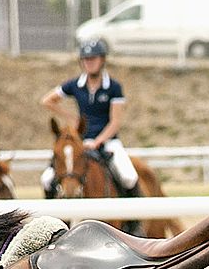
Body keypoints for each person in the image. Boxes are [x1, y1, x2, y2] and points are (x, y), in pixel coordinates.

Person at [39, 39, 137, 195]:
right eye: (86, 59)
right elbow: (47, 101)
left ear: (102, 60)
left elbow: (115, 122)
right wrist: (71, 118)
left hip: (108, 141)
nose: (89, 63)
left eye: (93, 59)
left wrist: (98, 142)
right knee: (47, 179)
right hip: (80, 142)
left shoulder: (113, 87)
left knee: (129, 176)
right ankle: (54, 217)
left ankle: (133, 218)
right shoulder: (74, 85)